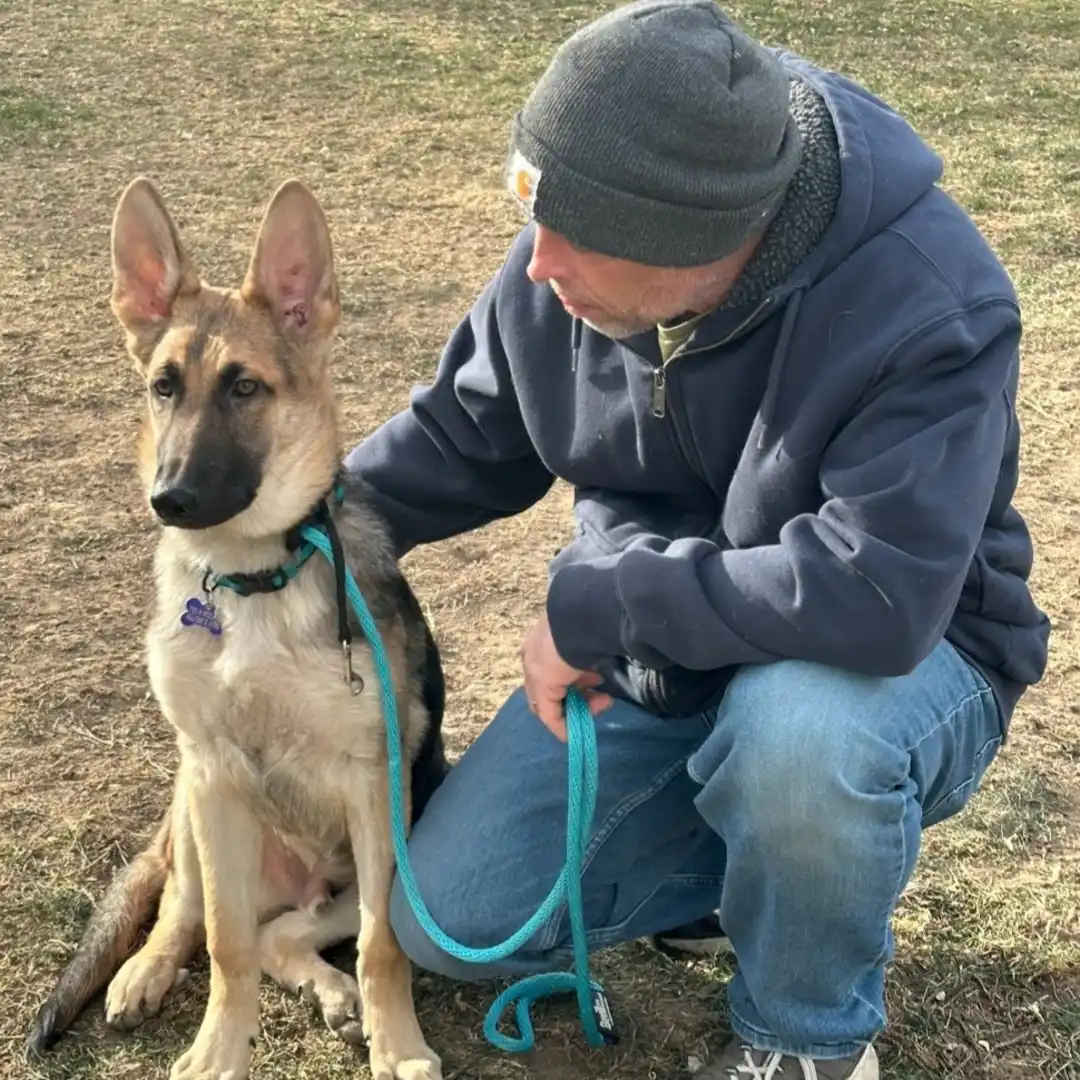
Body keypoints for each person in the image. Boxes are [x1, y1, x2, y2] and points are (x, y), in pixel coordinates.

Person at [343, 2, 1051, 1077]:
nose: (537, 266)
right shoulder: (578, 252)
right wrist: (294, 530)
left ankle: (805, 1040)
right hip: (668, 655)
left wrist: (607, 602)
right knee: (449, 918)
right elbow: (460, 436)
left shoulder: (931, 301)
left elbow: (878, 593)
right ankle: (745, 876)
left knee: (801, 743)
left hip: (889, 660)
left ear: (706, 243)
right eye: (534, 217)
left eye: (572, 237)